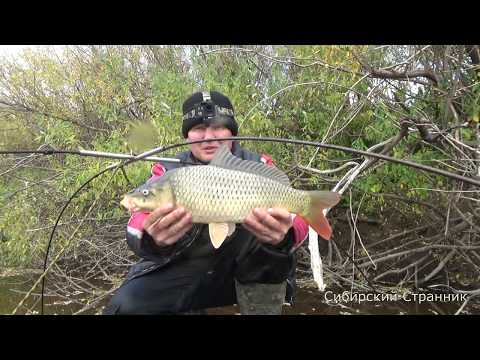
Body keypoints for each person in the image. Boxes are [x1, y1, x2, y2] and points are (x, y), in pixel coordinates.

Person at [103, 91, 309, 315]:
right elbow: (136, 223)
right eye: (199, 128)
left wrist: (284, 236)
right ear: (187, 135)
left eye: (218, 126)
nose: (208, 136)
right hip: (189, 273)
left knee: (270, 252)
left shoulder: (257, 165)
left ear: (231, 130)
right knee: (124, 308)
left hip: (252, 275)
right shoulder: (168, 172)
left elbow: (300, 220)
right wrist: (153, 238)